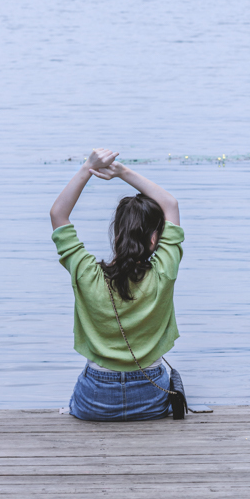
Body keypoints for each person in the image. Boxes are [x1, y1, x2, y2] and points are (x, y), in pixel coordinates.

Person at [50, 149, 184, 420]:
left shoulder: (85, 273)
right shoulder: (164, 273)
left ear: (118, 233)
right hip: (149, 397)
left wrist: (88, 167)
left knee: (77, 398)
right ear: (155, 239)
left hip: (96, 400)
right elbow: (170, 204)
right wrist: (124, 172)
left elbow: (58, 215)